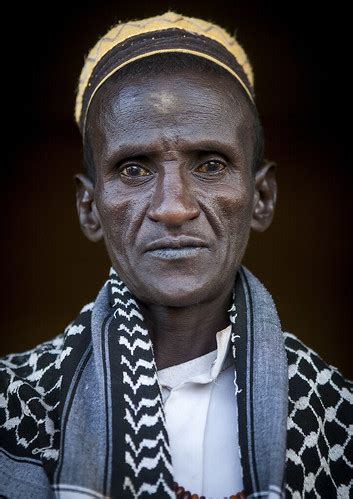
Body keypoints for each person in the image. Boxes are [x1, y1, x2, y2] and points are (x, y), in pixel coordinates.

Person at [0, 11, 352, 499]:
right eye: (134, 169)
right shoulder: (15, 407)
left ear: (262, 197)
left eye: (209, 165)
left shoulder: (339, 423)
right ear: (89, 208)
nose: (173, 207)